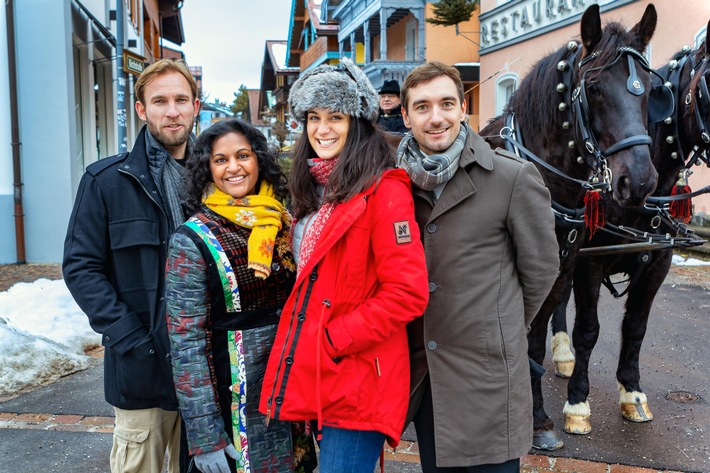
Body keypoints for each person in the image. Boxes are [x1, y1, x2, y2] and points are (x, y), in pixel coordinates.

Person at [258, 57, 429, 473]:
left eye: (336, 116)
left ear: (357, 122)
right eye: (313, 117)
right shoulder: (314, 188)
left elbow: (408, 293)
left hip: (358, 377)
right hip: (320, 373)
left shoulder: (384, 190)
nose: (322, 129)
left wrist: (332, 340)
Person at [396, 61, 560, 472]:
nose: (436, 118)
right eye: (422, 106)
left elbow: (541, 271)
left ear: (463, 107)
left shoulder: (512, 178)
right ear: (405, 115)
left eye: (447, 104)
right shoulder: (396, 184)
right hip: (429, 381)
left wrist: (498, 329)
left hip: (488, 381)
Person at [62, 58, 199, 473]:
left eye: (180, 99)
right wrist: (132, 341)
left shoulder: (215, 180)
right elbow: (81, 267)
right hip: (141, 373)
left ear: (195, 105)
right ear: (141, 109)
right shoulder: (107, 181)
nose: (171, 111)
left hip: (205, 375)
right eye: (160, 101)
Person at [165, 119, 317, 473]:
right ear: (207, 169)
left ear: (259, 160)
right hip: (233, 405)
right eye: (220, 160)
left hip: (288, 398)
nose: (233, 167)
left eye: (242, 155)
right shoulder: (191, 239)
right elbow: (186, 344)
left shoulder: (284, 219)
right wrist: (205, 437)